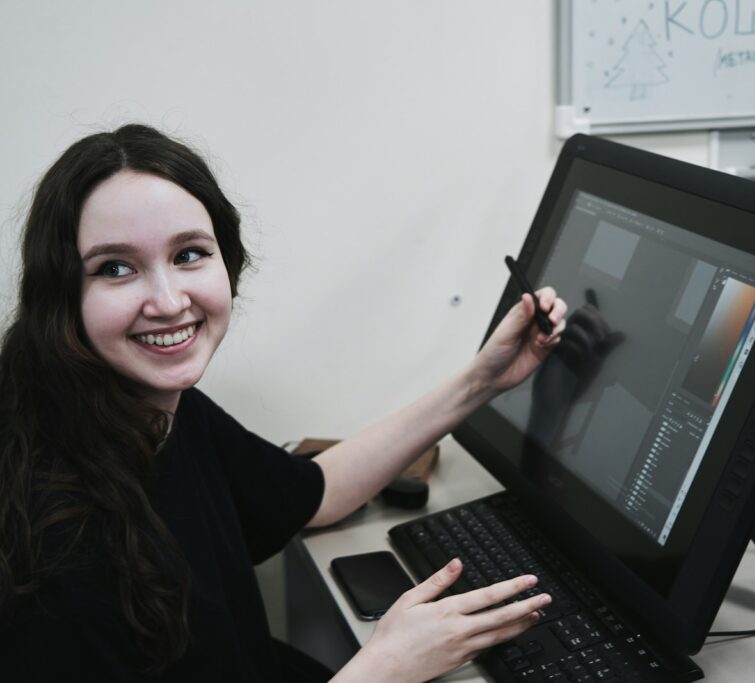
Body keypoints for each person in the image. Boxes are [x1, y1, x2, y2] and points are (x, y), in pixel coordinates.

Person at [0, 124, 567, 682]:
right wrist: (386, 667)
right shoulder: (53, 539)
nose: (169, 301)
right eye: (115, 268)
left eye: (190, 254)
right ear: (62, 294)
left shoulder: (155, 404)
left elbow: (311, 494)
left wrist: (482, 381)